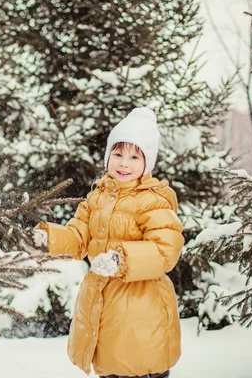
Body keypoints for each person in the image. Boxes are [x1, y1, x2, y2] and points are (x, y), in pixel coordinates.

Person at [33, 107, 184, 378]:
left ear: (147, 163)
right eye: (117, 154)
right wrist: (50, 238)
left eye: (134, 156)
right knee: (111, 367)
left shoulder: (153, 200)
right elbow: (78, 237)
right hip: (102, 306)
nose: (124, 163)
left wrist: (120, 260)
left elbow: (166, 251)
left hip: (140, 309)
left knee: (135, 366)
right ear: (107, 157)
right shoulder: (97, 198)